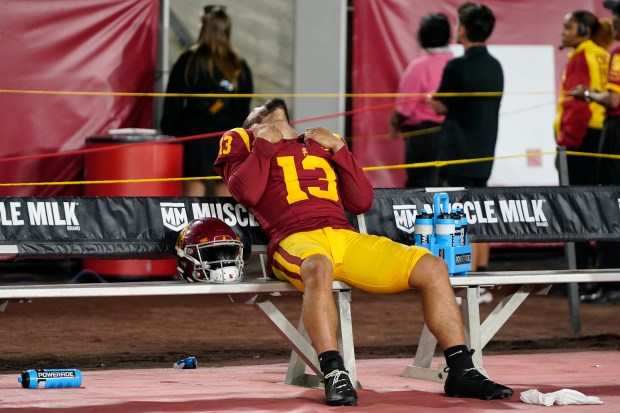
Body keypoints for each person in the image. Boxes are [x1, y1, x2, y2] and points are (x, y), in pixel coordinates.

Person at [214, 98, 513, 406]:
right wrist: (262, 144)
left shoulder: (319, 142)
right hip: (295, 239)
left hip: (345, 236)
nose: (264, 102)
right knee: (318, 267)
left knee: (432, 266)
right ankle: (333, 372)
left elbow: (361, 202)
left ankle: (461, 370)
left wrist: (341, 150)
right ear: (251, 123)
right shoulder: (242, 139)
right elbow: (245, 192)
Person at [426, 2, 503, 274]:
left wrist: (430, 100)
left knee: (456, 215)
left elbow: (442, 105)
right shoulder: (495, 67)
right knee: (478, 210)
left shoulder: (457, 67)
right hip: (484, 151)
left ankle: (463, 273)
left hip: (458, 152)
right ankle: (481, 274)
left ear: (465, 30)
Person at [161, 5, 253, 197]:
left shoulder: (188, 61)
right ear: (227, 30)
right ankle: (227, 227)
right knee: (226, 190)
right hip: (228, 137)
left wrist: (170, 135)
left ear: (203, 27)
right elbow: (245, 109)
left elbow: (172, 104)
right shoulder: (239, 66)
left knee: (194, 191)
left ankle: (191, 227)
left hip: (196, 138)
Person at [570, 1, 620, 302]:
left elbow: (613, 101)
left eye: (616, 16)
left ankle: (610, 282)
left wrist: (586, 94)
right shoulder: (605, 52)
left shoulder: (614, 52)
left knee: (610, 202)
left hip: (613, 133)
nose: (612, 21)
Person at [555, 10, 611, 272]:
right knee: (598, 203)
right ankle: (598, 267)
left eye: (569, 27)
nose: (563, 31)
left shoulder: (579, 58)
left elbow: (577, 108)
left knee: (573, 205)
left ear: (584, 31)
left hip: (580, 139)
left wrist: (565, 142)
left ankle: (575, 273)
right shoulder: (602, 53)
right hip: (602, 137)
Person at [390, 13, 453, 188]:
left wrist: (394, 124)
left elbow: (404, 108)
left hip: (423, 137)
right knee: (446, 186)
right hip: (452, 135)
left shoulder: (418, 67)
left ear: (422, 36)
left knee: (419, 187)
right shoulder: (454, 63)